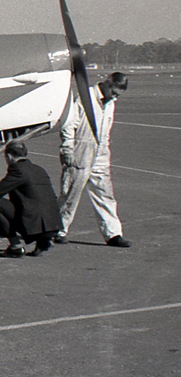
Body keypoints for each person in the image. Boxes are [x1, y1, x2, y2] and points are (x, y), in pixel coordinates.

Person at [57, 72, 130, 247]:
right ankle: (58, 229)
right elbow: (69, 123)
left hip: (100, 150)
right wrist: (67, 147)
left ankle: (113, 234)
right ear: (108, 83)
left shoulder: (111, 103)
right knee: (71, 192)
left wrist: (104, 152)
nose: (115, 97)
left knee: (104, 192)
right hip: (81, 147)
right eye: (114, 92)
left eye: (118, 95)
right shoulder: (85, 96)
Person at [0, 140, 61, 257]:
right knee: (33, 204)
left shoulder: (18, 169)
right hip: (53, 222)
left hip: (34, 222)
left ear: (8, 156)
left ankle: (15, 246)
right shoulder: (39, 169)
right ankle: (43, 241)